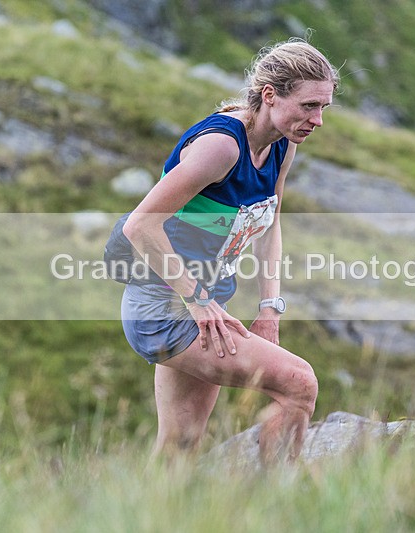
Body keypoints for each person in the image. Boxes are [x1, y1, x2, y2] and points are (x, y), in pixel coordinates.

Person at [120, 38, 340, 465]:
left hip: (208, 305)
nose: (318, 119)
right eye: (309, 105)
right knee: (300, 384)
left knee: (181, 442)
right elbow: (140, 225)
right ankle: (270, 500)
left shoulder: (282, 143)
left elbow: (270, 219)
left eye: (324, 108)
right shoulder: (222, 147)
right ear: (271, 95)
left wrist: (270, 308)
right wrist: (198, 299)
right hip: (165, 306)